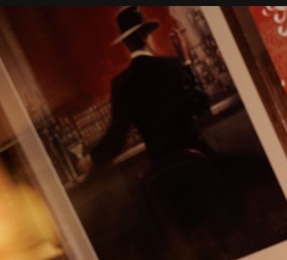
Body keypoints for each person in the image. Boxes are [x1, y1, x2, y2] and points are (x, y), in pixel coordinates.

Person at [77, 6, 211, 175]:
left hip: (167, 175)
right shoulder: (173, 66)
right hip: (199, 164)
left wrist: (90, 160)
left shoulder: (121, 84)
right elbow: (202, 106)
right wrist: (186, 63)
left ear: (127, 43)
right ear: (146, 37)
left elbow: (117, 137)